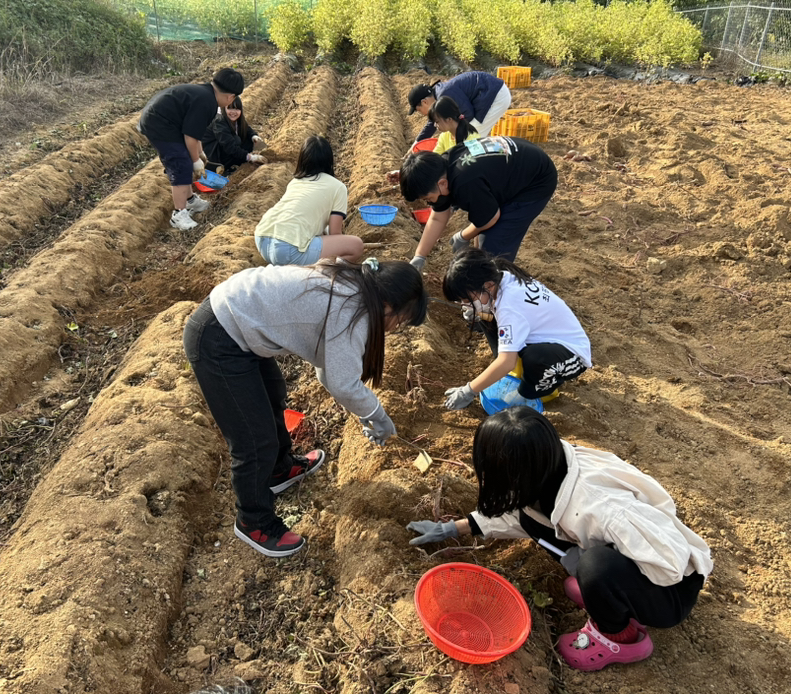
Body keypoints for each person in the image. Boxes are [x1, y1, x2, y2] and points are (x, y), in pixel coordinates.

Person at [406, 407, 713, 672]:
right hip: (638, 562)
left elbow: (671, 563)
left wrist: (612, 581)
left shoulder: (603, 508)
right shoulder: (547, 466)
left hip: (671, 593)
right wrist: (454, 528)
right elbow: (521, 515)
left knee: (595, 567)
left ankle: (619, 636)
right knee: (551, 535)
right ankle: (608, 588)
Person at [183, 258, 428, 557]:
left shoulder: (355, 287)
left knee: (273, 393)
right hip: (219, 337)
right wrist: (377, 415)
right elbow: (342, 383)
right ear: (389, 303)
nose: (395, 328)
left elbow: (329, 371)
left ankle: (279, 470)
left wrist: (364, 410)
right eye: (400, 320)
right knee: (254, 440)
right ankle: (253, 522)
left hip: (238, 323)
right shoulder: (351, 311)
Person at [441, 248, 591, 409]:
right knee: (485, 317)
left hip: (572, 355)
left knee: (534, 361)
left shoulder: (509, 307)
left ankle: (541, 390)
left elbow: (507, 362)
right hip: (545, 338)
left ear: (488, 285)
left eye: (466, 300)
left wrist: (468, 391)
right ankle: (518, 372)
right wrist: (478, 311)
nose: (464, 305)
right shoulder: (502, 276)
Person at [396, 137, 557, 268]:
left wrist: (462, 236)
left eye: (428, 199)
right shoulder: (440, 168)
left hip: (535, 181)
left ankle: (494, 288)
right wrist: (420, 255)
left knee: (493, 250)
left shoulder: (465, 182)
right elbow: (438, 217)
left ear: (442, 184)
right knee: (482, 238)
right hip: (514, 164)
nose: (429, 203)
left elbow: (491, 217)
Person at [137, 67, 245, 231]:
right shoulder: (206, 103)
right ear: (230, 97)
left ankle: (190, 201)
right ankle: (178, 215)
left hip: (165, 120)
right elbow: (190, 136)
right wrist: (195, 161)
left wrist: (200, 153)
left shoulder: (206, 94)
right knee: (181, 164)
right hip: (159, 123)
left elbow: (195, 131)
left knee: (186, 158)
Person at [254, 136, 364, 266]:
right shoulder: (338, 187)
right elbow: (335, 233)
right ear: (329, 160)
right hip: (288, 250)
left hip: (262, 239)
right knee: (356, 245)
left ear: (302, 160)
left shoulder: (295, 181)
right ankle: (326, 272)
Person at [407, 71, 511, 143]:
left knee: (471, 137)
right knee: (467, 137)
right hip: (488, 95)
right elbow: (433, 123)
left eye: (419, 110)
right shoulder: (438, 95)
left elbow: (468, 114)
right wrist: (416, 144)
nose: (422, 114)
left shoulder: (445, 95)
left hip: (495, 96)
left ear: (424, 102)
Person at [202, 95, 266, 176]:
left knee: (248, 141)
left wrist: (253, 136)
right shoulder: (219, 121)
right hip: (212, 154)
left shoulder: (236, 118)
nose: (233, 112)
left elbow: (246, 128)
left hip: (224, 147)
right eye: (230, 108)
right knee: (236, 140)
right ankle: (226, 167)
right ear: (224, 108)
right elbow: (229, 146)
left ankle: (237, 160)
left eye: (236, 109)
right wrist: (251, 157)